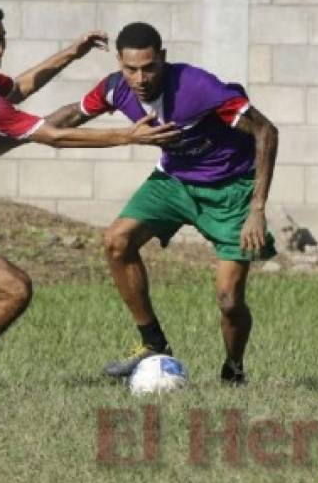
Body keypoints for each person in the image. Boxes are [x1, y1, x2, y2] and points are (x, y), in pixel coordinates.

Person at [0, 0, 178, 387]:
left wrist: (72, 54)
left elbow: (22, 86)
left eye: (1, 40)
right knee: (15, 290)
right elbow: (55, 136)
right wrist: (130, 134)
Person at [45, 22, 279, 385]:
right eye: (130, 69)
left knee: (229, 300)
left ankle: (233, 369)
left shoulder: (196, 87)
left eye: (149, 67)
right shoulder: (115, 88)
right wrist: (13, 134)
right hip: (174, 181)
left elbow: (266, 131)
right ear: (120, 64)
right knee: (116, 241)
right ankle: (153, 343)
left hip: (230, 189)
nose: (139, 78)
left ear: (163, 59)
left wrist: (257, 209)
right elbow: (69, 117)